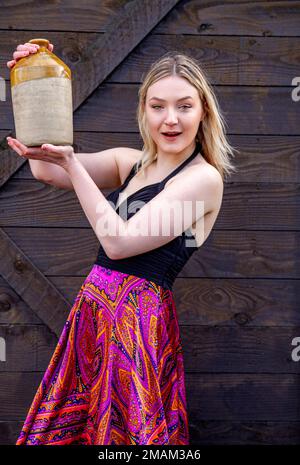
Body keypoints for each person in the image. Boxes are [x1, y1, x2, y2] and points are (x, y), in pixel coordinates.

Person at [7, 43, 236, 445]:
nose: (170, 119)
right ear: (143, 111)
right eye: (157, 106)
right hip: (94, 317)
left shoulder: (203, 180)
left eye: (184, 106)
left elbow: (118, 242)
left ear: (203, 112)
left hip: (138, 327)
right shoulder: (131, 164)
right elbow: (45, 168)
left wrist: (73, 163)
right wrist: (34, 77)